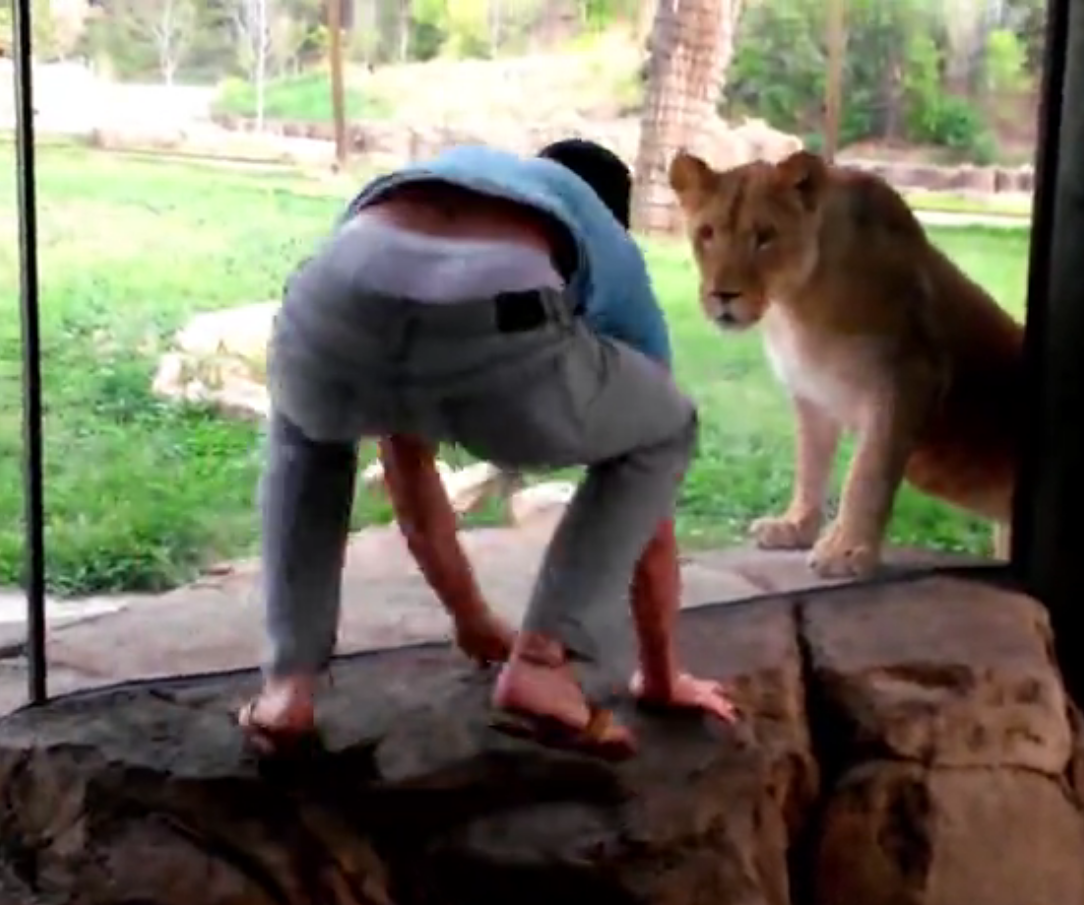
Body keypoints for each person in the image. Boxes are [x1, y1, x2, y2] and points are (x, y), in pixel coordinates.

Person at [236, 139, 738, 761]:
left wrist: (470, 617)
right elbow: (648, 514)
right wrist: (662, 679)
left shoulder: (466, 170)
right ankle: (544, 666)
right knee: (665, 427)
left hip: (331, 290)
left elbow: (406, 463)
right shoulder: (607, 241)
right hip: (497, 309)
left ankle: (287, 689)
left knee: (307, 437)